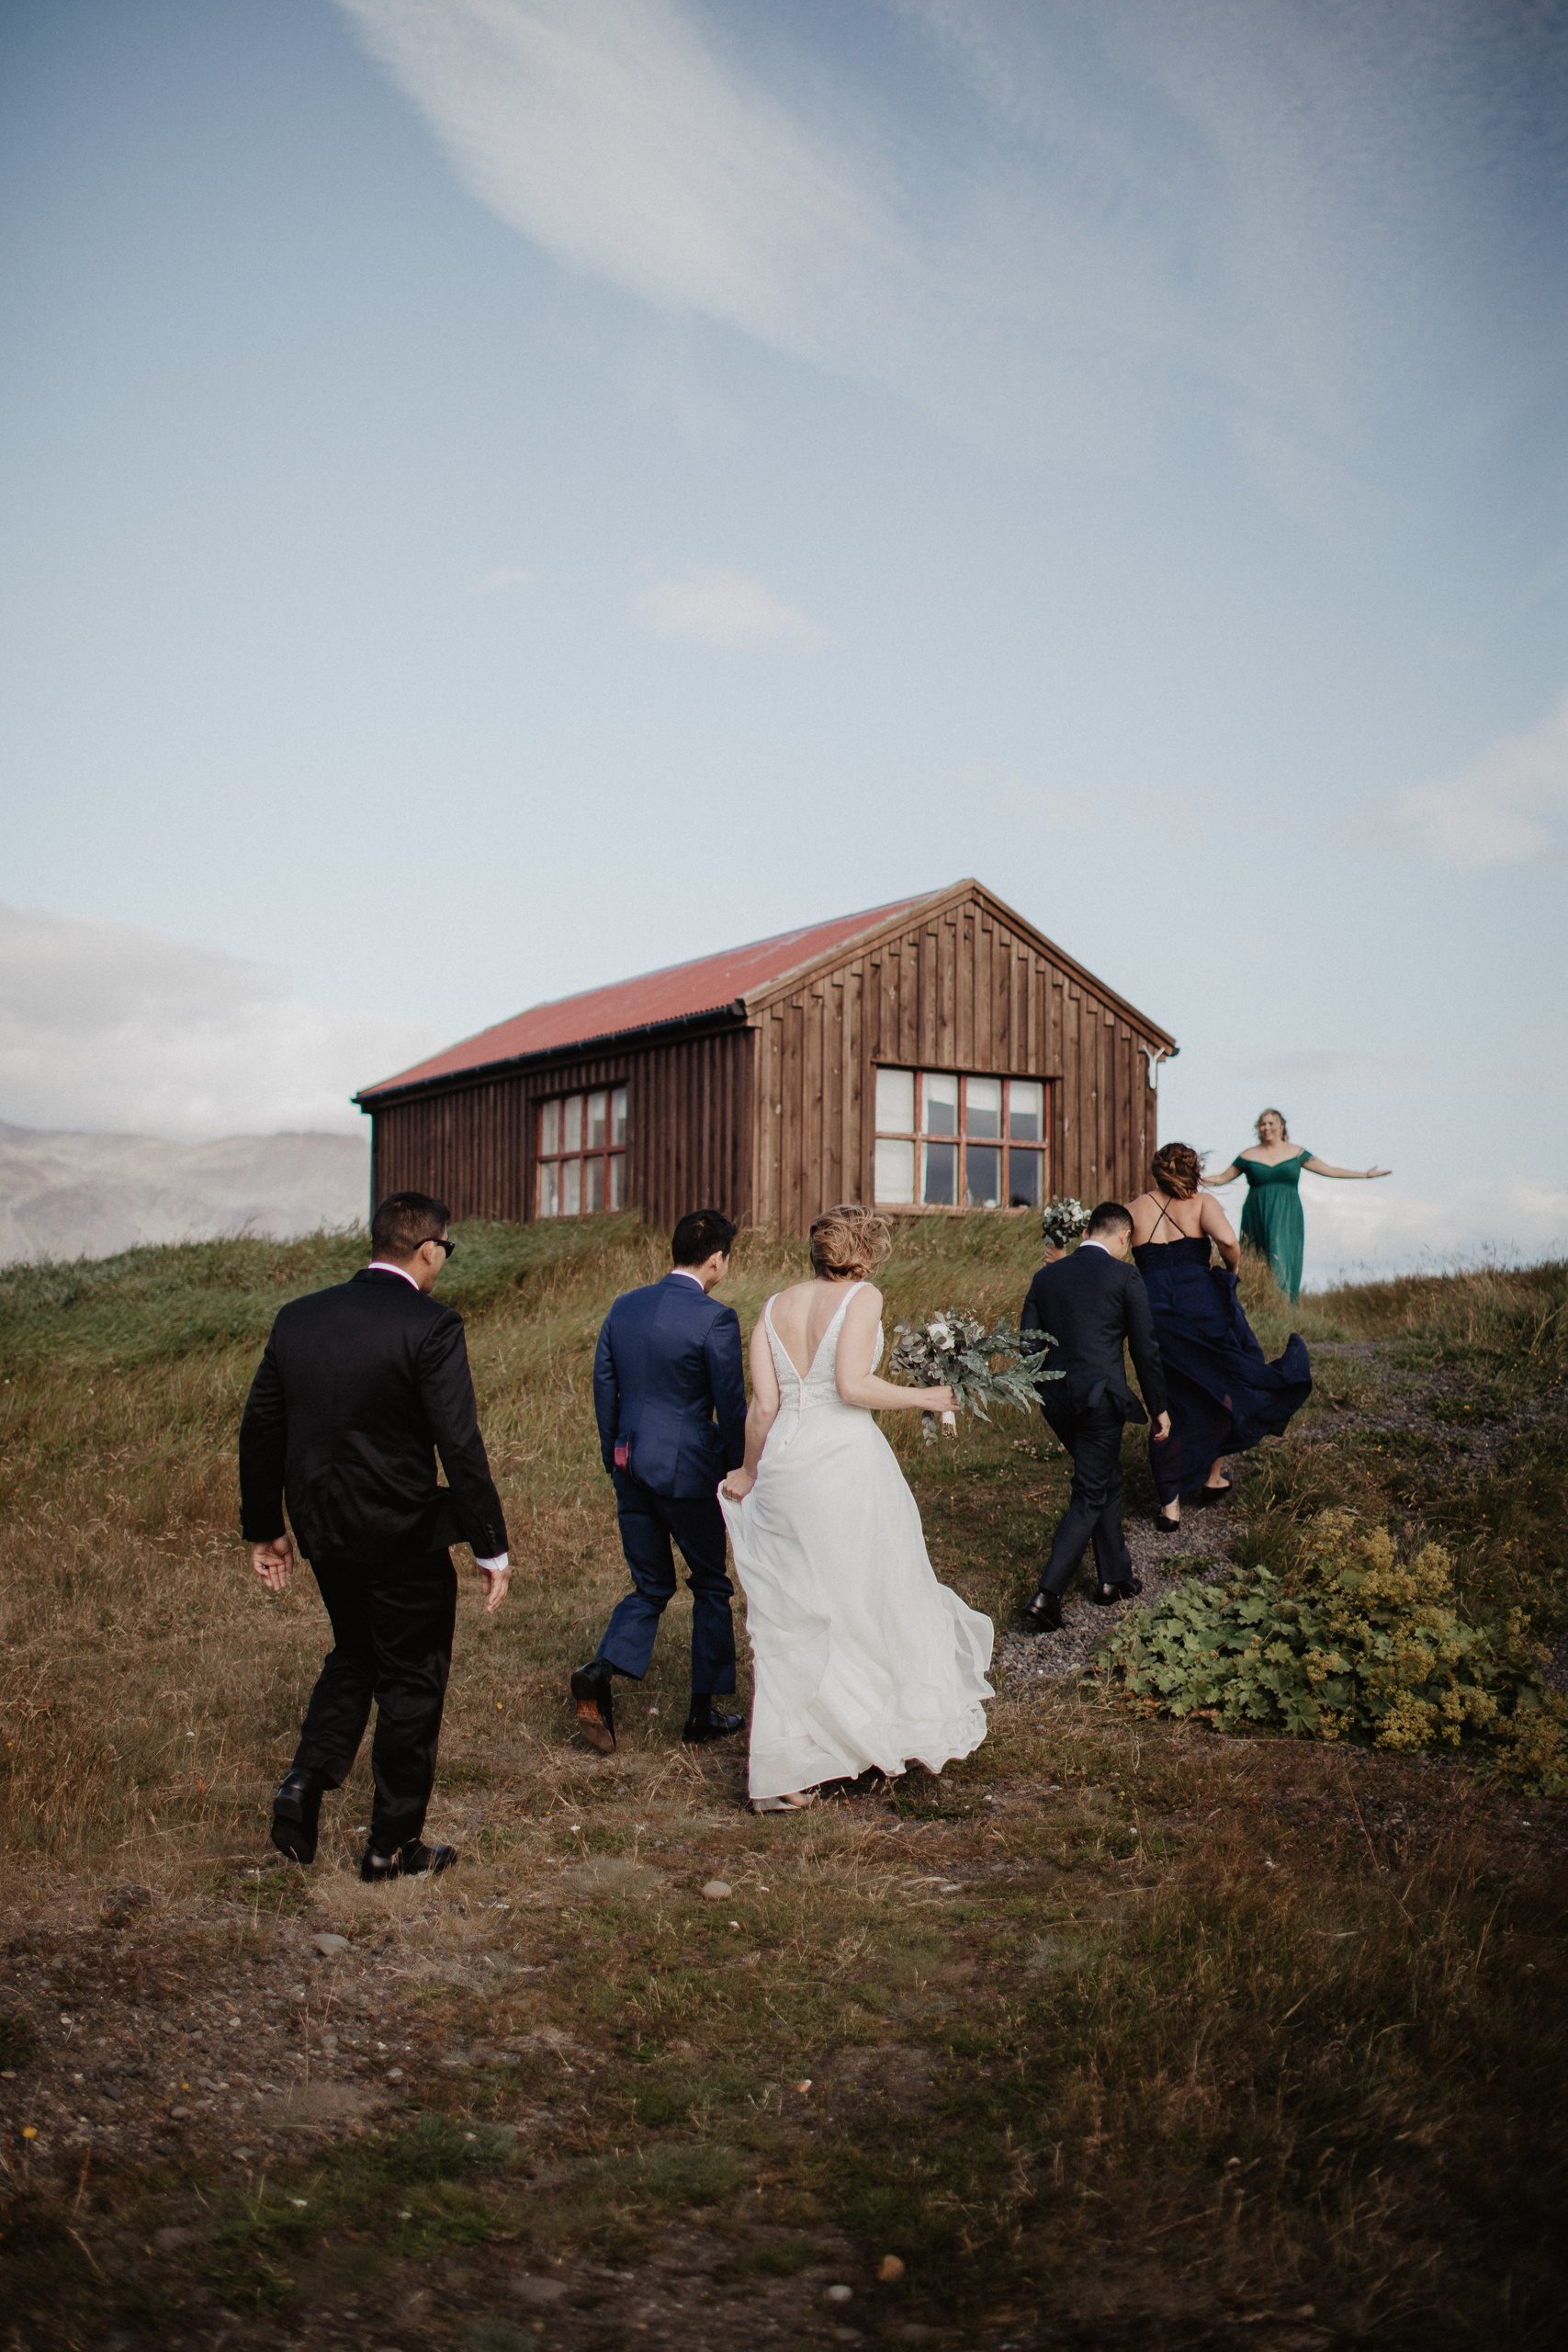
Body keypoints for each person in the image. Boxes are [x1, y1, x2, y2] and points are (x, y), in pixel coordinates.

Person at [240, 1191, 510, 1883]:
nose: (443, 1262)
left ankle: (303, 1780)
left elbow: (262, 1429)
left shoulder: (298, 1318)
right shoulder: (431, 1325)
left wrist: (266, 1529)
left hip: (324, 1528)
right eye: (446, 1250)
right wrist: (490, 1545)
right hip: (402, 1533)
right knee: (413, 1679)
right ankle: (390, 1848)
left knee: (355, 1653)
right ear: (427, 1248)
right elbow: (460, 1442)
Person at [718, 1204, 993, 1814]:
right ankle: (866, 1732)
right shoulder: (862, 1296)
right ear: (864, 1256)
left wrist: (747, 1471)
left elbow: (761, 1408)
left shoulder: (772, 1306)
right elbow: (850, 1387)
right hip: (839, 1463)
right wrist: (926, 1395)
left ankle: (783, 1768)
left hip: (786, 1467)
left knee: (794, 1615)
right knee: (866, 1594)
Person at [573, 1208, 749, 1755]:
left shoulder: (625, 1306)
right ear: (717, 1259)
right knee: (711, 1585)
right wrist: (742, 1467)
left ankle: (599, 1671)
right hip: (688, 1474)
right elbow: (730, 1404)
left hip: (630, 1465)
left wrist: (614, 1458)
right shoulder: (715, 1318)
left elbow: (605, 1386)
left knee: (651, 1584)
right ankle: (703, 1711)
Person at [1130, 1144, 1313, 1530]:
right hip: (1202, 1305)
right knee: (1226, 1382)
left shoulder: (1136, 1208)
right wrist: (1230, 1273)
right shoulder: (1201, 1203)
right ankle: (1212, 1475)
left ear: (1156, 1171)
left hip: (1153, 1311)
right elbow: (1229, 1243)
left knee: (1168, 1400)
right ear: (1194, 1168)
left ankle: (1170, 1508)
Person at [1016, 1201, 1170, 1634]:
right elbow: (1145, 1348)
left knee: (1105, 1480)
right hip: (1101, 1402)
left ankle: (1113, 1578)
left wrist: (1046, 1390)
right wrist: (1159, 1407)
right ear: (1123, 1236)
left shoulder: (1045, 1277)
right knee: (1089, 1491)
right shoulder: (1124, 1275)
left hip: (1057, 1402)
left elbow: (1027, 1346)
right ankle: (1047, 1595)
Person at [1202, 1109, 1392, 1304]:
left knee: (1282, 1258)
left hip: (1287, 1213)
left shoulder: (1296, 1152)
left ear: (1281, 1126)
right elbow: (1222, 1178)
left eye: (1270, 1123)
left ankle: (1283, 1308)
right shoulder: (1248, 1155)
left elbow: (1331, 1171)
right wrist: (1191, 1180)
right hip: (1256, 1212)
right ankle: (1256, 1305)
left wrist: (1364, 1175)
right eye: (1262, 1124)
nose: (1266, 1128)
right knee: (1256, 1257)